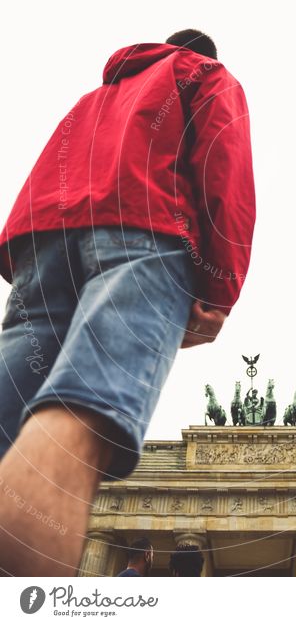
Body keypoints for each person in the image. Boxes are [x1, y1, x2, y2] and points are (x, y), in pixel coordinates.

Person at [0, 30, 255, 576]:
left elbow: (47, 170)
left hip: (43, 245)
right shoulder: (206, 77)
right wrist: (220, 289)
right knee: (82, 418)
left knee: (7, 421)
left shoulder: (95, 97)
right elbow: (224, 170)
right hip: (145, 232)